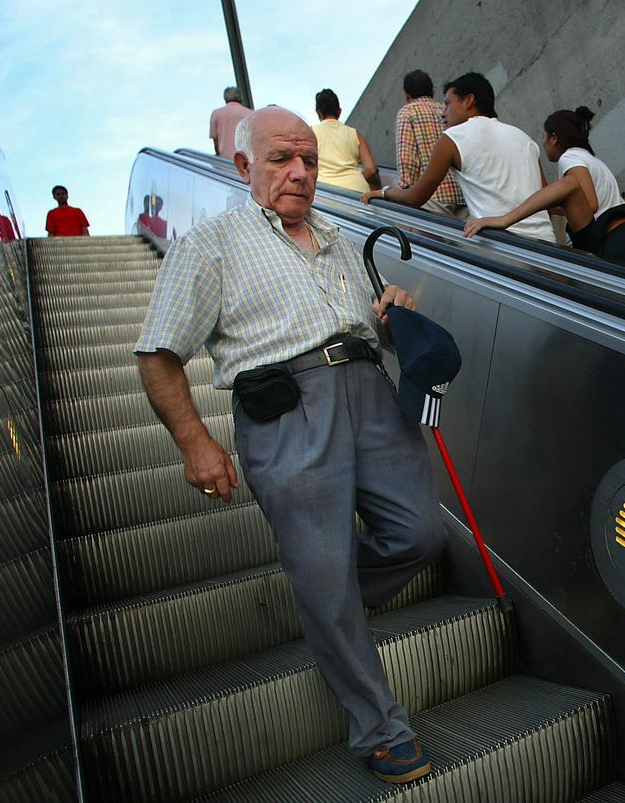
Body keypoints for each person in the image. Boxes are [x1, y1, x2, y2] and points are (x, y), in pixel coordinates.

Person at [135, 106, 442, 784]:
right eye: (281, 159)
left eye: (307, 159)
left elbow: (364, 325)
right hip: (287, 409)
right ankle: (382, 727)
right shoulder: (211, 244)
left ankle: (326, 601)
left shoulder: (336, 235)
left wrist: (389, 313)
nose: (300, 172)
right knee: (325, 574)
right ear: (245, 165)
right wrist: (196, 442)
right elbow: (158, 353)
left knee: (421, 533)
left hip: (369, 390)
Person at [361, 72, 555, 243]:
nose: (442, 113)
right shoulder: (524, 138)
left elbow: (414, 197)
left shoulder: (453, 138)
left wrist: (383, 192)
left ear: (468, 100)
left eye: (447, 103)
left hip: (504, 247)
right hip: (549, 246)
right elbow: (547, 198)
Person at [463, 106, 622, 244]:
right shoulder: (594, 161)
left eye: (545, 137)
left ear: (553, 138)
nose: (544, 143)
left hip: (601, 238)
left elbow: (589, 204)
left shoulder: (569, 158)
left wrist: (507, 218)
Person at [395, 69, 467, 218]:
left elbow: (406, 159)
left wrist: (406, 193)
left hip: (432, 199)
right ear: (432, 89)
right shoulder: (446, 109)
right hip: (464, 195)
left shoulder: (407, 112)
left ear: (406, 93)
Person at [312, 89, 379, 192]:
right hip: (358, 191)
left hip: (325, 191)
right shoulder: (354, 133)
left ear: (318, 113)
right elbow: (371, 170)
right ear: (339, 111)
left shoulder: (311, 133)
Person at [210, 86, 252, 159]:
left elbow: (215, 141)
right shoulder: (250, 114)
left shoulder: (216, 113)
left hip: (225, 161)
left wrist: (218, 156)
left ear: (225, 99)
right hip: (245, 160)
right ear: (241, 98)